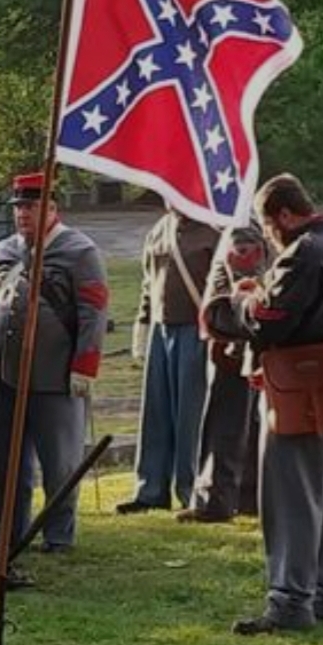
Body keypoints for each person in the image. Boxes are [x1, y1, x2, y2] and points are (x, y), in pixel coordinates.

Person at [230, 174, 323, 635]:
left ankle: (289, 600)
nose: (268, 234)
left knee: (290, 501)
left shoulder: (304, 253)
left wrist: (242, 299)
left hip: (297, 394)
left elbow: (270, 321)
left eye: (268, 225)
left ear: (285, 215)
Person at [0, 172, 109, 555]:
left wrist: (84, 366)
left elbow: (93, 311)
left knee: (59, 461)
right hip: (5, 372)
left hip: (54, 373)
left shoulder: (79, 251)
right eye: (19, 207)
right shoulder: (4, 250)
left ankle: (58, 534)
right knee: (4, 461)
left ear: (52, 208)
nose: (23, 214)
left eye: (31, 206)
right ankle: (5, 531)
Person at [116, 207, 219, 515]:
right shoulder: (160, 229)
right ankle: (150, 489)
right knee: (156, 414)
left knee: (191, 415)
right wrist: (144, 326)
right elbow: (150, 283)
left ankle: (191, 490)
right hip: (162, 329)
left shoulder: (216, 229)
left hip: (196, 330)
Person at [177, 222, 267, 523]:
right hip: (235, 342)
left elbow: (245, 286)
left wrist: (236, 348)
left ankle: (215, 498)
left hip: (233, 344)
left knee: (225, 421)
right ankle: (247, 496)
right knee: (245, 422)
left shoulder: (239, 228)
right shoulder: (235, 226)